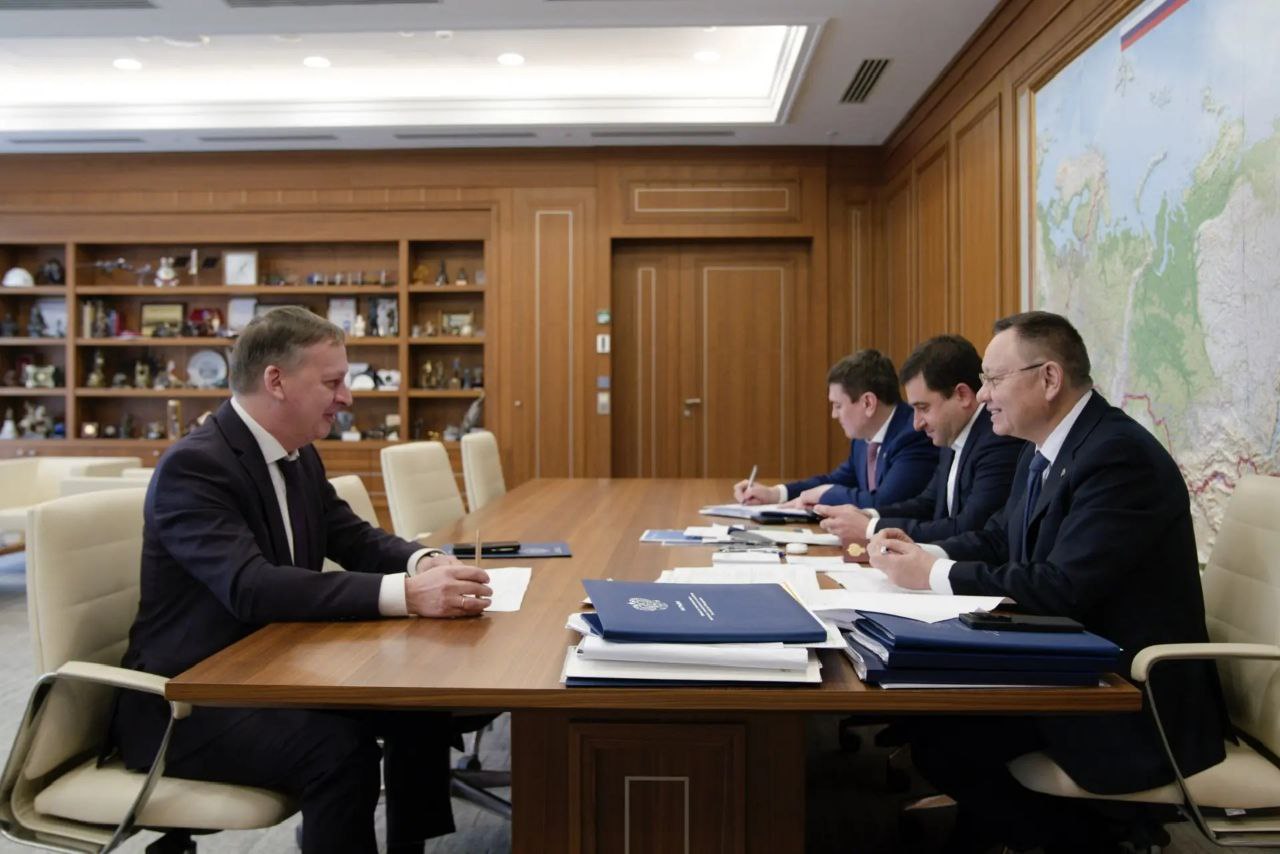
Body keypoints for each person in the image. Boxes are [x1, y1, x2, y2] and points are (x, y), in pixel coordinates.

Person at [113, 307, 494, 854]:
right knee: (339, 749)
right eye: (332, 383)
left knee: (416, 702)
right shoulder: (195, 468)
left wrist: (423, 562)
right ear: (276, 381)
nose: (348, 398)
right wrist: (408, 596)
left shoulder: (296, 454)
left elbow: (352, 537)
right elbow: (251, 587)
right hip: (190, 701)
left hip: (275, 667)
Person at [870, 311, 1228, 851]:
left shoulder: (1117, 456)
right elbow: (998, 538)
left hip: (1130, 698)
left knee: (947, 742)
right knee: (939, 729)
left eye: (994, 379)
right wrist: (923, 556)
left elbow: (1062, 587)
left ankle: (1092, 842)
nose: (983, 395)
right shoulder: (1043, 449)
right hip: (1068, 667)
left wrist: (934, 574)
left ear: (1050, 378)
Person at [815, 335, 1023, 545]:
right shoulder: (951, 433)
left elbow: (968, 527)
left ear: (962, 395)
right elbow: (927, 505)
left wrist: (870, 528)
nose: (916, 424)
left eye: (923, 408)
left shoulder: (998, 440)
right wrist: (868, 515)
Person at [733, 349, 937, 508]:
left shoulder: (914, 435)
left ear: (868, 403)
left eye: (838, 405)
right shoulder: (863, 439)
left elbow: (883, 501)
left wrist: (825, 493)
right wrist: (776, 493)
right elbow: (838, 480)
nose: (834, 415)